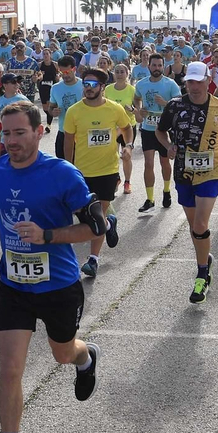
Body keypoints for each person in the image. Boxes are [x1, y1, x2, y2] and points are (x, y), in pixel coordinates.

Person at [0, 102, 104, 433]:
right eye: (5, 132)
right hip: (13, 285)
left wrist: (48, 235)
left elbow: (95, 229)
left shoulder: (62, 175)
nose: (10, 140)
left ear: (40, 132)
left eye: (19, 132)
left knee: (62, 353)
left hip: (59, 285)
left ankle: (86, 356)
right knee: (10, 368)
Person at [159, 62, 218, 303]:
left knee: (201, 224)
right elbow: (159, 131)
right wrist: (168, 146)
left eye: (198, 81)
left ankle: (202, 273)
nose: (194, 86)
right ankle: (205, 258)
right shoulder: (174, 106)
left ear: (208, 80)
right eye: (190, 82)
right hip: (184, 170)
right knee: (195, 227)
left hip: (212, 169)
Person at [60, 69, 129, 279]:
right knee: (84, 217)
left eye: (92, 84)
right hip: (82, 171)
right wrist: (67, 167)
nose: (88, 88)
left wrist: (129, 145)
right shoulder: (74, 111)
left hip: (108, 170)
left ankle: (93, 260)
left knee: (98, 214)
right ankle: (110, 223)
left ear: (102, 87)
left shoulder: (114, 109)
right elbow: (68, 141)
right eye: (86, 84)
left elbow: (127, 128)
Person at [133, 54, 180, 212]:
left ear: (163, 66)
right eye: (154, 65)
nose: (157, 68)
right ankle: (150, 199)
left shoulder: (170, 84)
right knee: (148, 163)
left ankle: (166, 191)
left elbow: (180, 105)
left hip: (164, 129)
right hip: (148, 129)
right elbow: (136, 98)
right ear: (149, 67)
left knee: (165, 163)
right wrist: (140, 110)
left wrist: (166, 104)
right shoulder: (142, 84)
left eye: (160, 66)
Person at [104, 63, 137, 195]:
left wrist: (133, 109)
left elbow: (139, 110)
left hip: (128, 126)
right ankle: (116, 178)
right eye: (117, 72)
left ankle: (127, 182)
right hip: (112, 126)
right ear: (113, 74)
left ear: (127, 73)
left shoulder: (132, 90)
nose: (119, 74)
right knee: (112, 155)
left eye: (122, 72)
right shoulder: (108, 89)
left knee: (126, 155)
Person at [47, 57, 85, 159]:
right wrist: (53, 112)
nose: (65, 75)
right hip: (63, 132)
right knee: (63, 166)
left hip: (82, 133)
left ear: (74, 69)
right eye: (61, 72)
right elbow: (50, 108)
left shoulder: (84, 85)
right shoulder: (55, 88)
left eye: (68, 72)